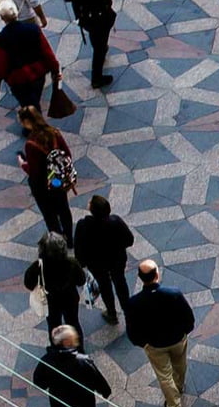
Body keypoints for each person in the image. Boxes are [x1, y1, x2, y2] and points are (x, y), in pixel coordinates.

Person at [122, 259, 196, 407]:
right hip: (177, 339)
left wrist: (143, 343)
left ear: (140, 277)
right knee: (180, 364)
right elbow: (188, 316)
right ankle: (179, 387)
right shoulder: (174, 293)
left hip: (154, 345)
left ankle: (174, 406)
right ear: (157, 274)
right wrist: (185, 331)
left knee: (164, 375)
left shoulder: (134, 303)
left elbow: (132, 329)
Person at [0, 0, 60, 111]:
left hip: (17, 79)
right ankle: (35, 121)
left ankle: (35, 124)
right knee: (34, 100)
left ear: (2, 18)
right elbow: (47, 52)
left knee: (28, 104)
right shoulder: (33, 29)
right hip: (38, 73)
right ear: (16, 13)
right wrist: (55, 69)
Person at [72, 194, 134, 328]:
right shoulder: (115, 222)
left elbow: (79, 248)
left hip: (97, 264)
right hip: (117, 260)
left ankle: (111, 313)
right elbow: (129, 240)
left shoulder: (83, 225)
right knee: (120, 282)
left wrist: (82, 263)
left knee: (105, 286)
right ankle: (128, 312)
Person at [60, 0, 117, 89]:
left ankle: (100, 48)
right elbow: (106, 0)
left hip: (84, 17)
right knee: (99, 47)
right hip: (99, 18)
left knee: (95, 38)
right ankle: (96, 78)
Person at [16, 102, 74, 236]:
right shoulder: (54, 133)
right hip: (57, 180)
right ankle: (70, 239)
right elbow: (67, 154)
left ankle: (58, 240)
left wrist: (23, 164)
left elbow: (34, 171)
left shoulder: (31, 143)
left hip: (43, 186)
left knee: (50, 215)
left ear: (27, 122)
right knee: (64, 209)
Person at [23, 230, 83, 340]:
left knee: (54, 326)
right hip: (70, 299)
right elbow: (81, 281)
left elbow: (28, 284)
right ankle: (78, 348)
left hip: (50, 303)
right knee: (73, 322)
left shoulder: (37, 267)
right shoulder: (72, 263)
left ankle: (57, 351)